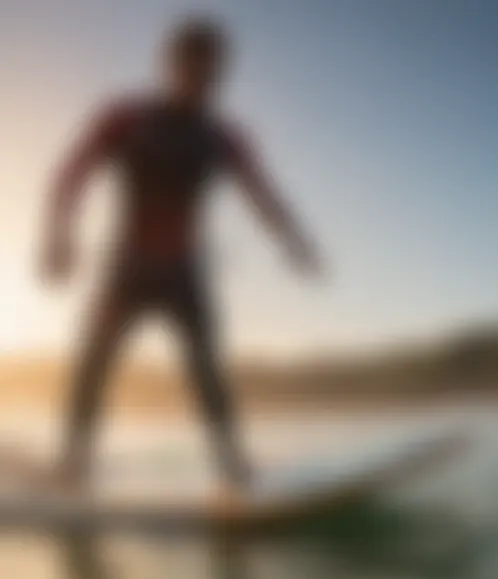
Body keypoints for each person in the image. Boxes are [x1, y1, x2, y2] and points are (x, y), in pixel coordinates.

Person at [38, 18, 324, 498]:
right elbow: (70, 173)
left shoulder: (222, 136)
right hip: (128, 268)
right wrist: (59, 237)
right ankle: (74, 463)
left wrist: (294, 242)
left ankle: (233, 467)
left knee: (207, 369)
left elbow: (263, 194)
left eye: (213, 73)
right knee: (95, 360)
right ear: (170, 66)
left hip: (184, 272)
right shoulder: (124, 118)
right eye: (194, 69)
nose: (204, 82)